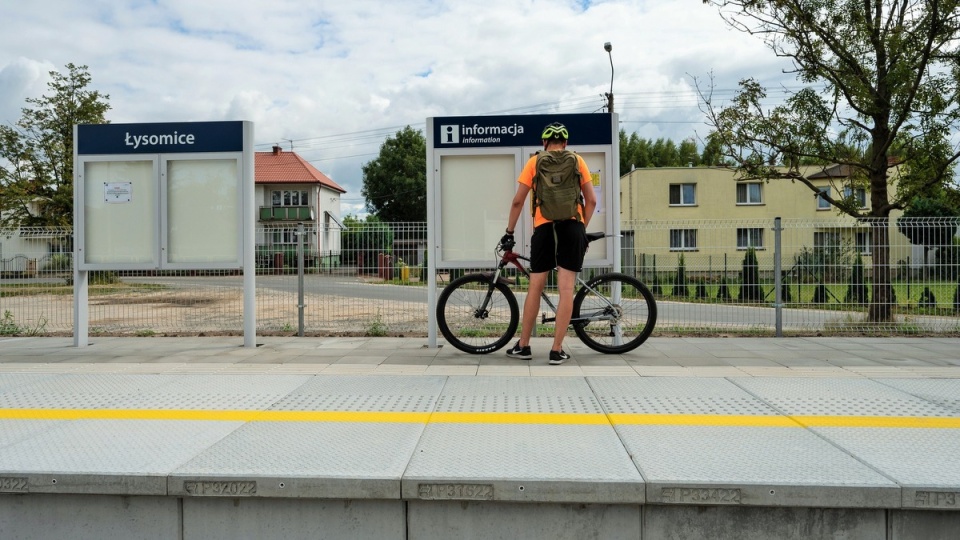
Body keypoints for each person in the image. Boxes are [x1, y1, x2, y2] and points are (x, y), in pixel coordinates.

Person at [500, 122, 597, 365]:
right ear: (565, 143)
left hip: (544, 229)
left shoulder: (534, 162)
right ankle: (556, 350)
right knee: (566, 290)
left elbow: (518, 202)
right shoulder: (577, 161)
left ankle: (524, 346)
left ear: (544, 143)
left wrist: (509, 231)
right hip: (572, 225)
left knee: (535, 286)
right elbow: (592, 201)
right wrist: (580, 231)